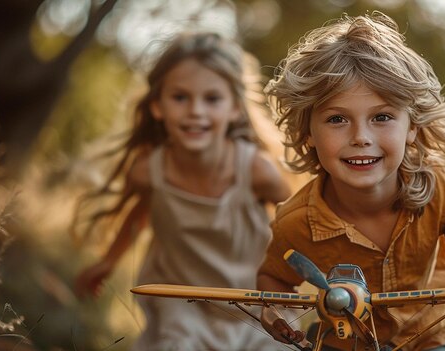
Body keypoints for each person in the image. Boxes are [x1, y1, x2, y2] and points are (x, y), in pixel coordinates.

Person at [257, 11, 445, 351]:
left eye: (381, 117)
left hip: (429, 340)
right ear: (309, 132)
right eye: (336, 119)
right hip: (343, 343)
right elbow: (273, 279)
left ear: (412, 127)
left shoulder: (442, 192)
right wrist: (275, 313)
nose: (360, 137)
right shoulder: (296, 221)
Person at [72, 32, 291, 350]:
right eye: (180, 97)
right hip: (180, 301)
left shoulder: (256, 170)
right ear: (157, 106)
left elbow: (294, 221)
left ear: (235, 108)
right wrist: (108, 261)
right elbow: (140, 212)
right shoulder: (149, 170)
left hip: (254, 301)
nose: (195, 111)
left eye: (212, 99)